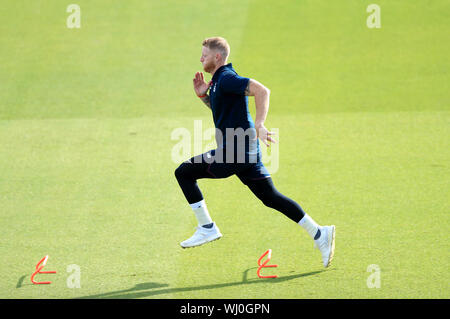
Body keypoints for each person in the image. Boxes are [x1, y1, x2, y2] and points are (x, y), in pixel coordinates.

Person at [174, 37, 335, 267]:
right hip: (243, 150)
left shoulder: (227, 78)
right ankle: (320, 233)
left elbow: (262, 90)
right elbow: (222, 109)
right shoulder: (218, 81)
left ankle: (207, 227)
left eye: (205, 55)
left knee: (184, 172)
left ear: (217, 57)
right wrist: (204, 97)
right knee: (270, 197)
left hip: (236, 150)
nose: (201, 58)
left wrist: (260, 124)